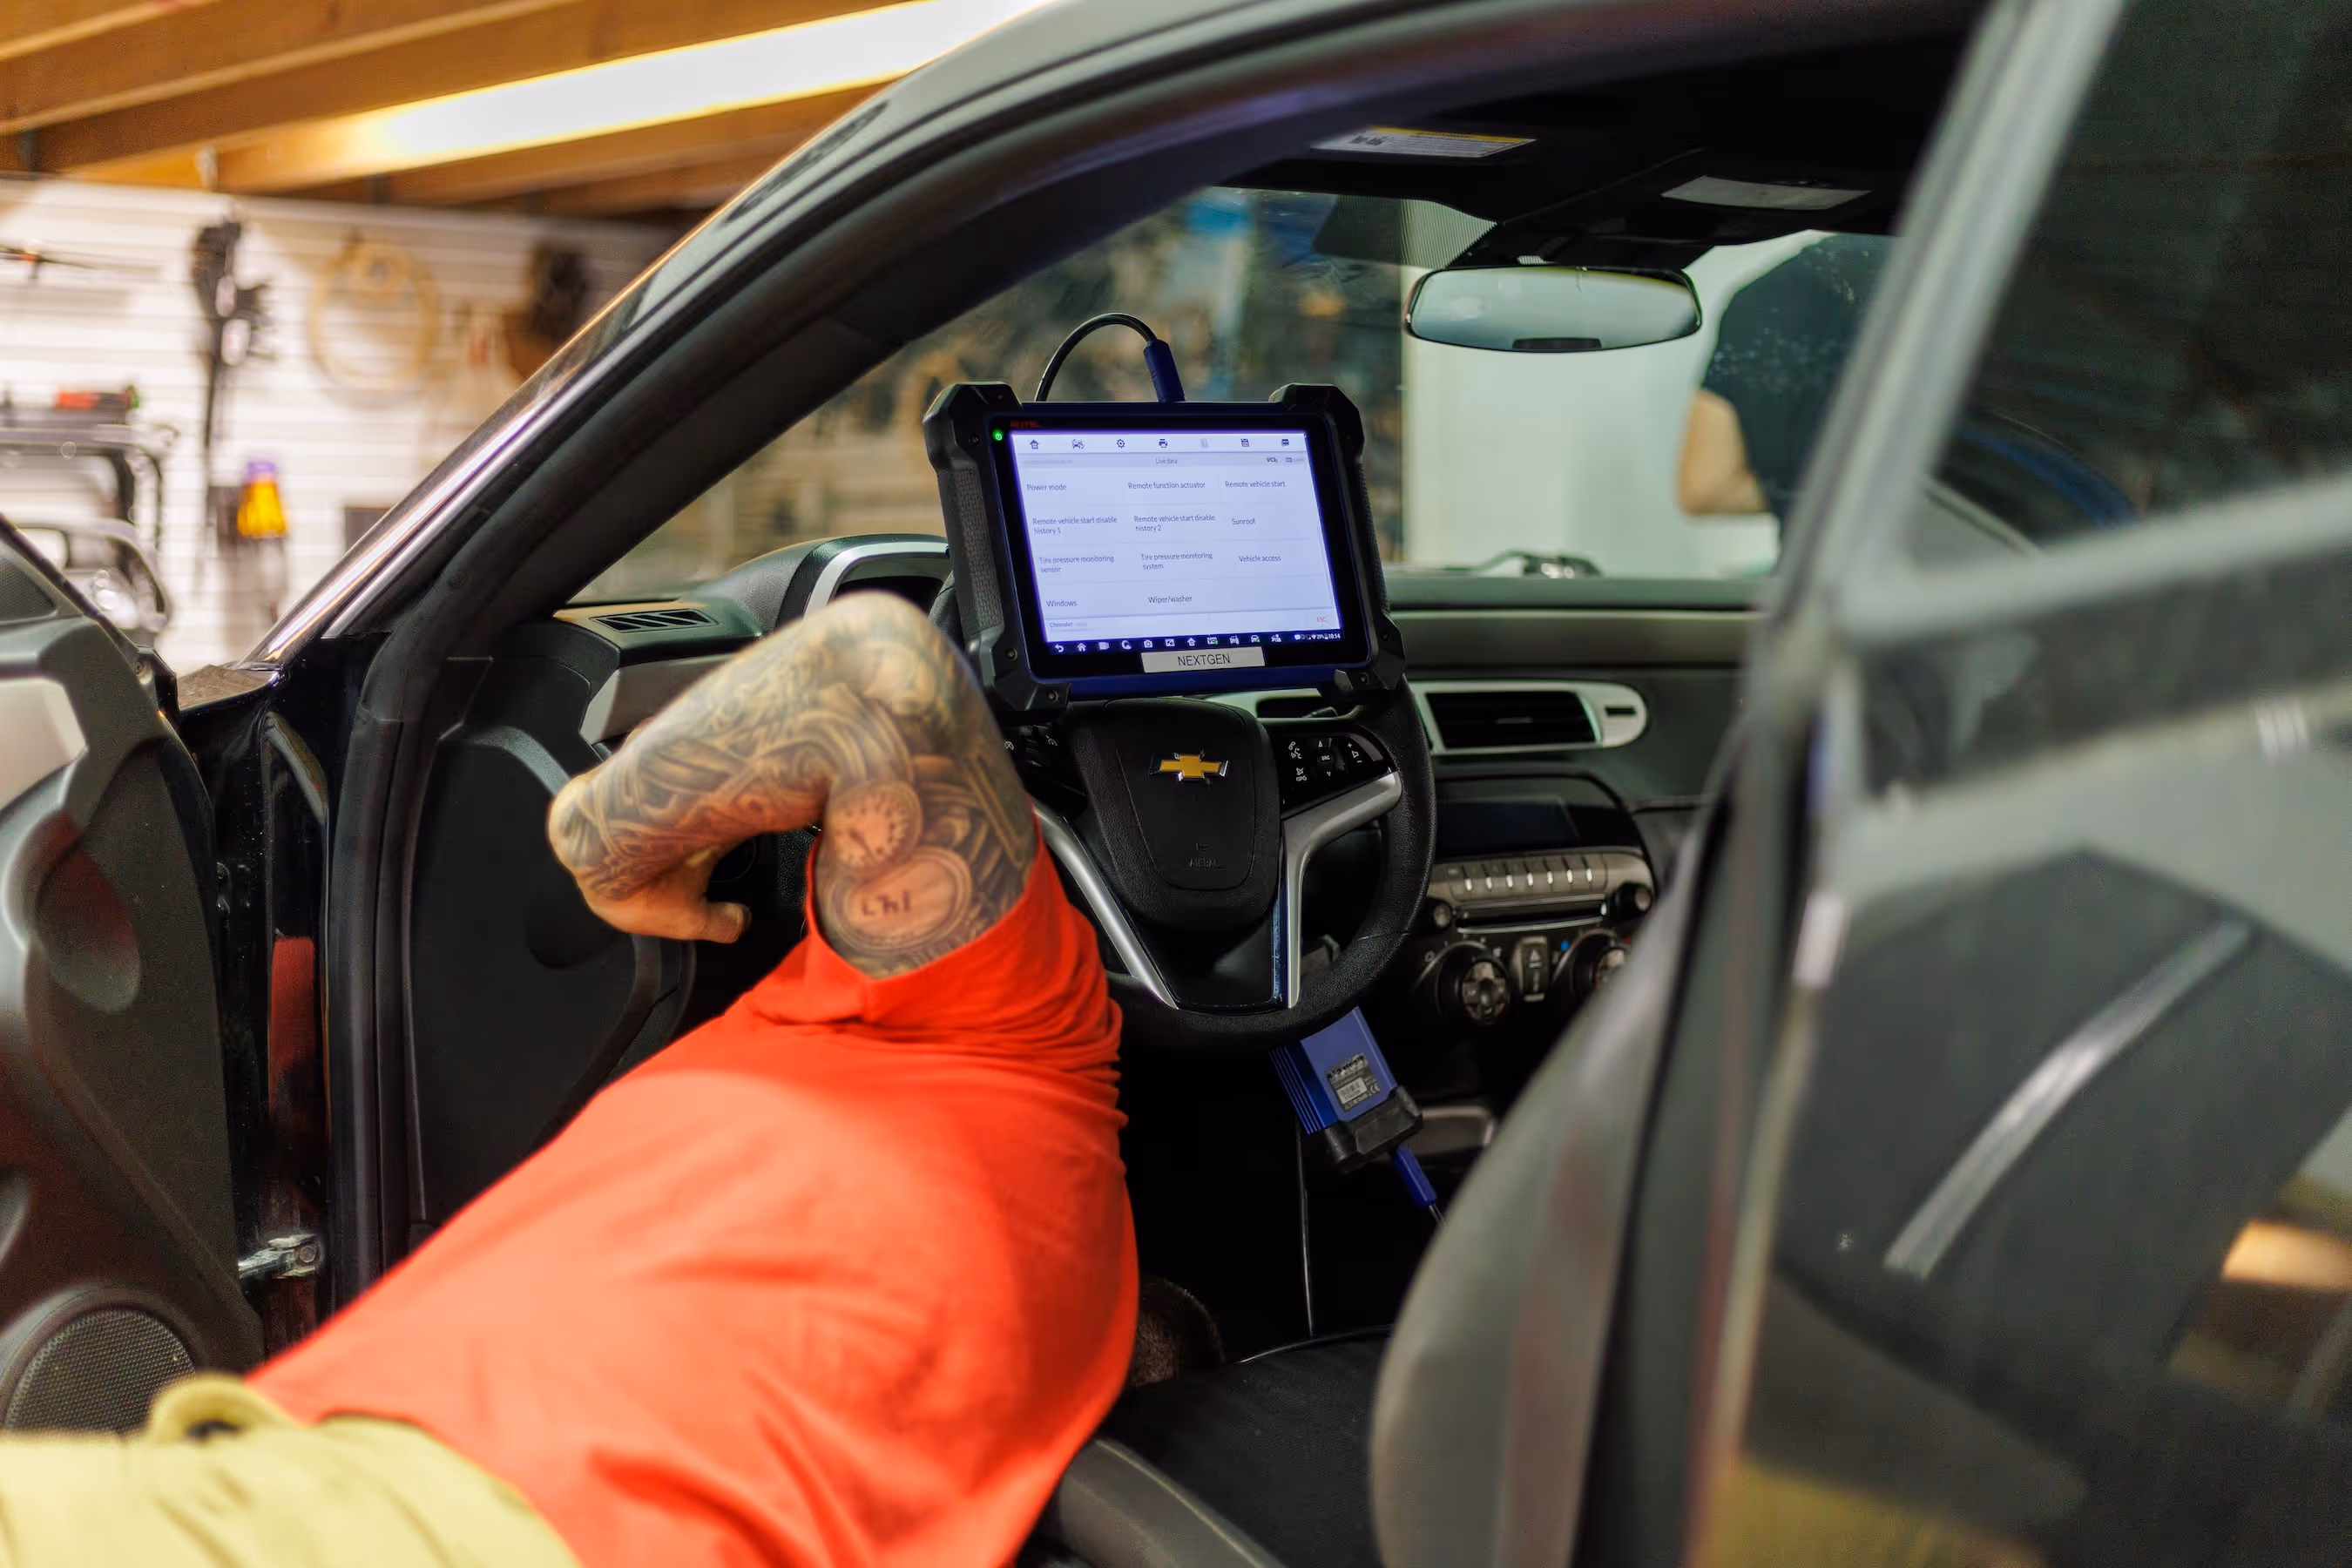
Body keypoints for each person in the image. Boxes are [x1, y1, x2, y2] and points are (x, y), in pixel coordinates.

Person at [0, 592, 1137, 1566]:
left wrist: (604, 834)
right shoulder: (1042, 1216)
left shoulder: (1027, 1033)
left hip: (454, 1514)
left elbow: (874, 671)